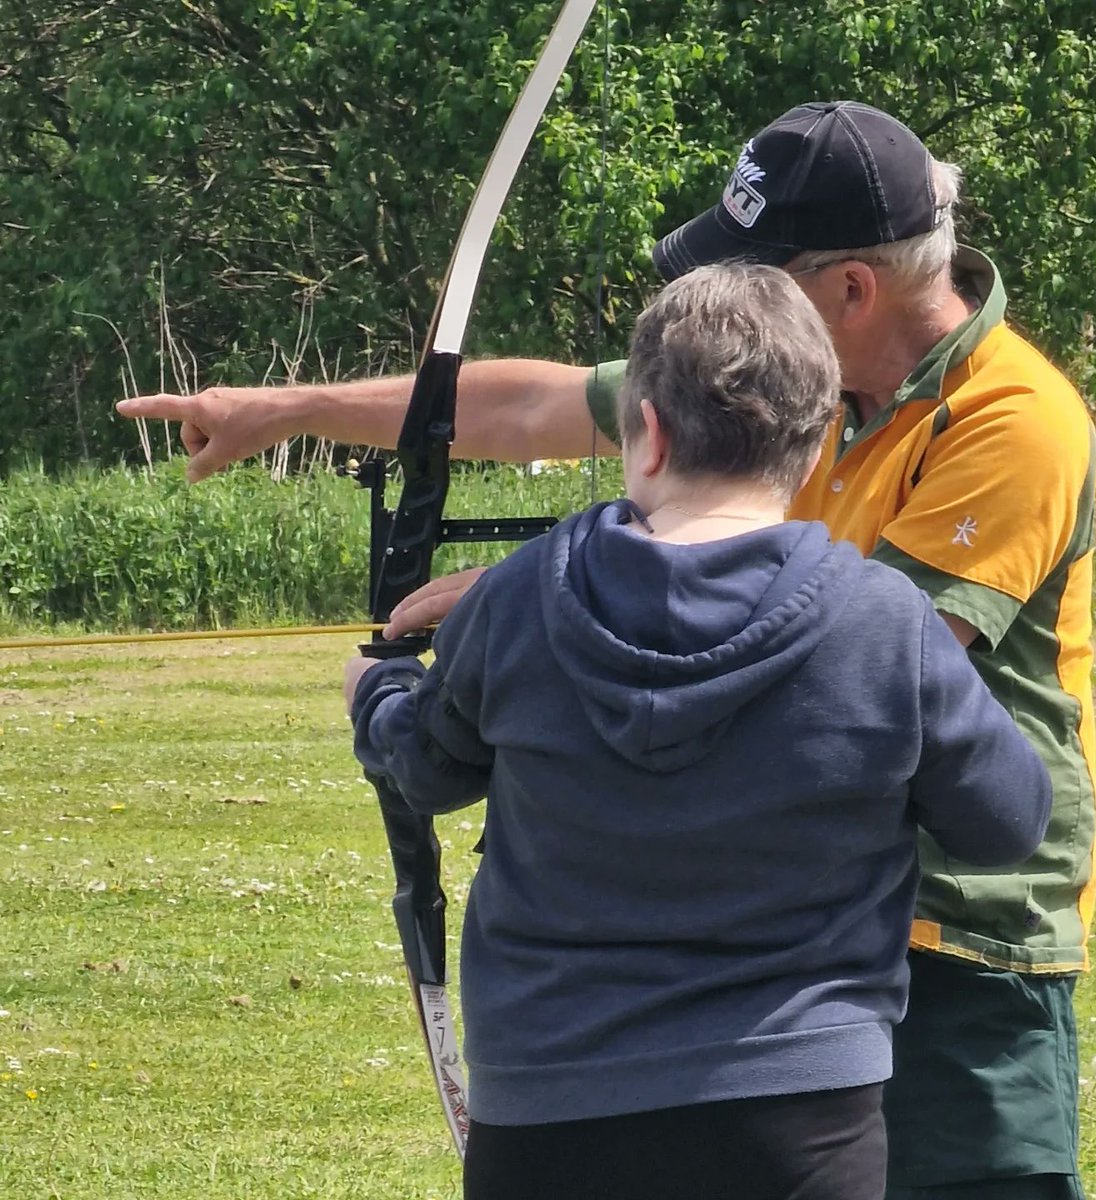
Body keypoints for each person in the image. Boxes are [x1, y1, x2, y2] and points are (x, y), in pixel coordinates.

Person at [119, 101, 1096, 1199]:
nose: (732, 300)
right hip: (797, 930)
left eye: (755, 270)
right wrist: (292, 409)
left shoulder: (1015, 419)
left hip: (960, 945)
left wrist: (535, 593)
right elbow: (537, 403)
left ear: (849, 291)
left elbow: (875, 645)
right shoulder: (781, 378)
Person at [342, 261, 1052, 1200]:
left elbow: (428, 767)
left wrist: (378, 689)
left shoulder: (520, 598)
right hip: (800, 1112)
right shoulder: (882, 622)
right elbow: (1007, 819)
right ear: (813, 447)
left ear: (650, 433)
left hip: (551, 1107)